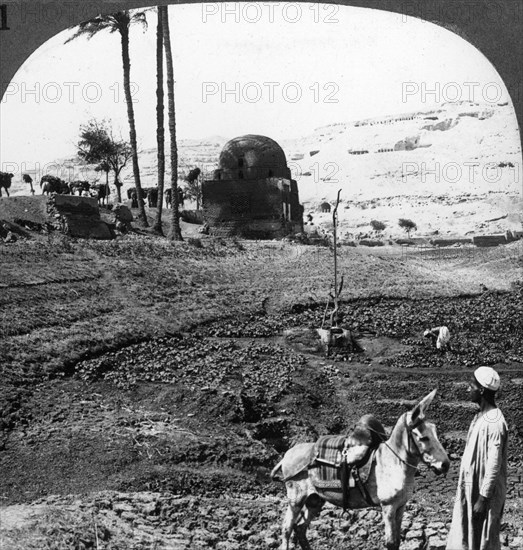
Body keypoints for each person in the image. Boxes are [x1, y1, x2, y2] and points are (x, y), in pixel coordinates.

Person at [446, 366, 508, 550]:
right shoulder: (481, 416)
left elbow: (494, 464)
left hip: (482, 494)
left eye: (471, 386)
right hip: (471, 488)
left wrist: (483, 498)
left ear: (481, 390)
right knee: (469, 535)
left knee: (484, 539)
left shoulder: (495, 423)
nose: (468, 389)